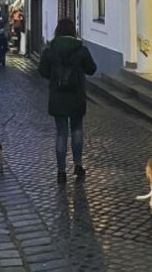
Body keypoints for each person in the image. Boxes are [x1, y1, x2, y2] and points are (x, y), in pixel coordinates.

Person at [38, 18, 97, 184]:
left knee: (61, 133)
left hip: (58, 98)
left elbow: (43, 71)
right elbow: (92, 69)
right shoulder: (81, 50)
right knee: (77, 130)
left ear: (58, 31)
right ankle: (78, 166)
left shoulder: (50, 50)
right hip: (76, 96)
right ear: (73, 31)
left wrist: (55, 75)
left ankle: (61, 171)